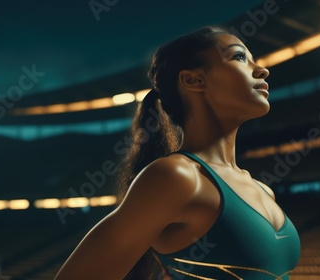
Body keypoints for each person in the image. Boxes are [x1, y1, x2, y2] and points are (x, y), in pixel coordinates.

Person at [54, 26, 301, 280]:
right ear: (193, 80)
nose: (261, 69)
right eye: (239, 57)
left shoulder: (262, 189)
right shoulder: (176, 177)